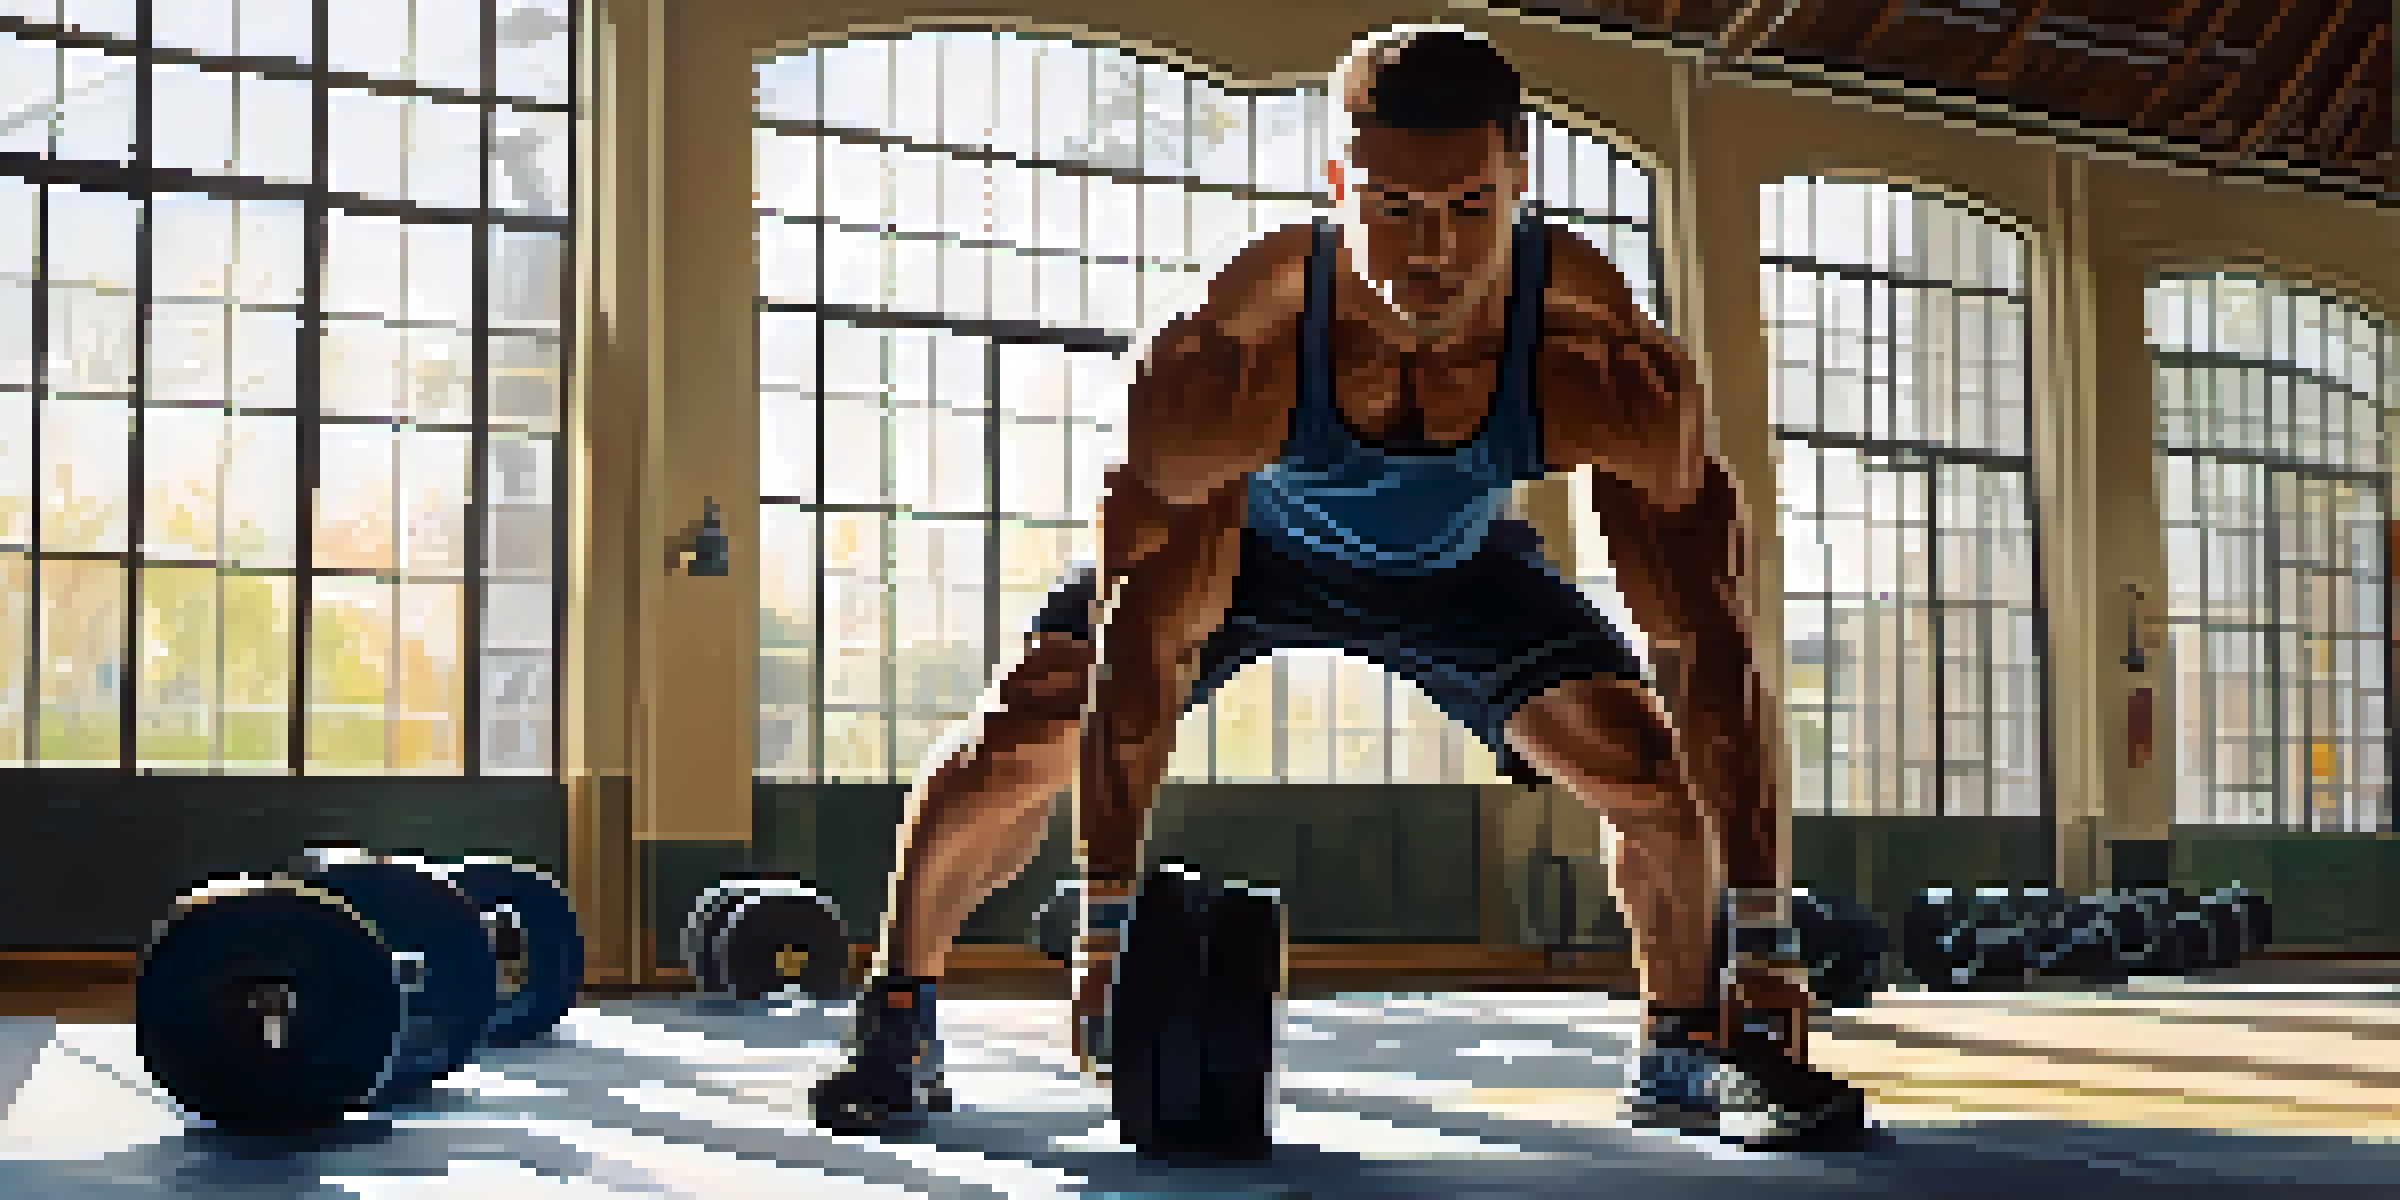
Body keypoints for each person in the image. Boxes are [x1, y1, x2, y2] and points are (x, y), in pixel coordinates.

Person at [809, 24, 1866, 1150]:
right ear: (1336, 185)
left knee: (1650, 775)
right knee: (1027, 727)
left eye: (1470, 208)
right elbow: (1147, 643)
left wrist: (1765, 939)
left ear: (1520, 181)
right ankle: (899, 1019)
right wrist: (1109, 931)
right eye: (1395, 209)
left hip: (1454, 568)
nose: (1433, 254)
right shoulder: (1226, 356)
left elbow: (1706, 646)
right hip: (1251, 549)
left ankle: (1692, 1045)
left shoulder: (1607, 361)